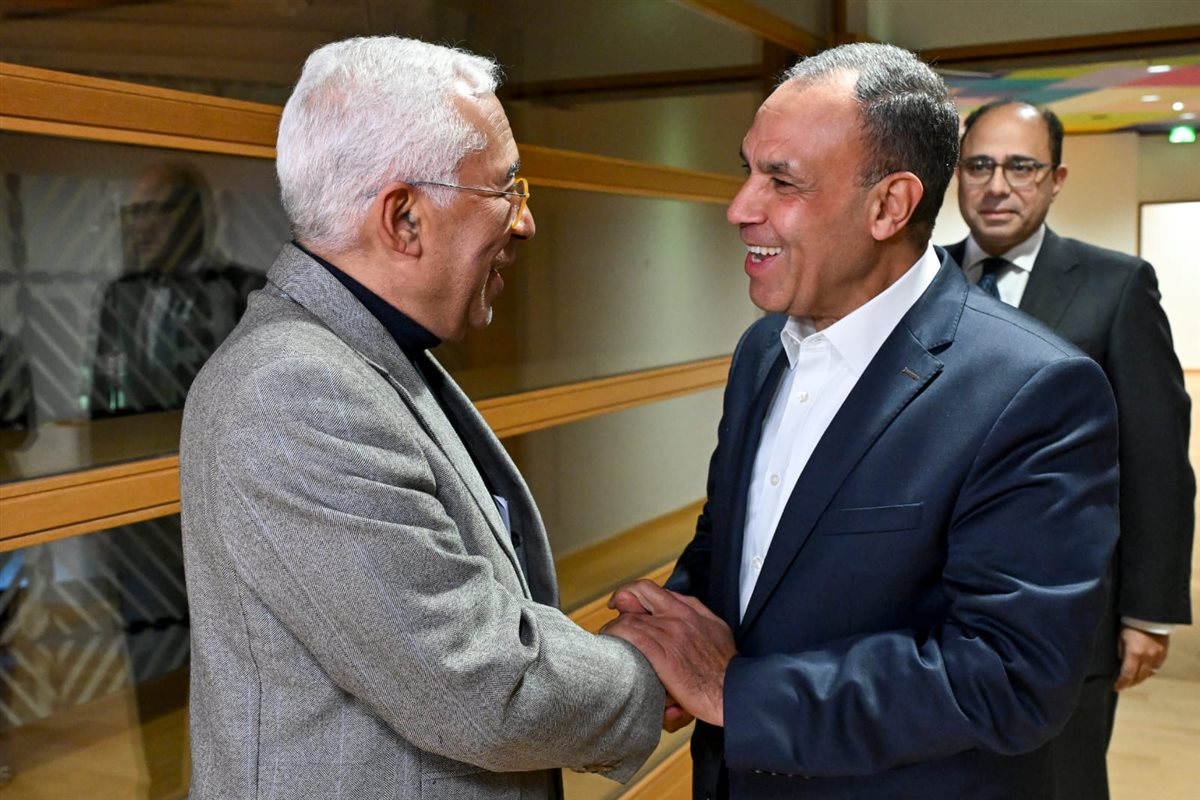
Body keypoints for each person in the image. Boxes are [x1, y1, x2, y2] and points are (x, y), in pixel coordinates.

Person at [602, 43, 1120, 799]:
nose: (740, 208)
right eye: (748, 170)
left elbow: (1009, 677)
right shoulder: (762, 352)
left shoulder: (1034, 389)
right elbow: (741, 546)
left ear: (889, 205)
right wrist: (662, 631)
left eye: (781, 181)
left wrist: (735, 693)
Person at [179, 36, 663, 799]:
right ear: (404, 218)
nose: (525, 222)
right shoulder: (295, 389)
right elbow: (480, 688)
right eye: (505, 189)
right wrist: (650, 673)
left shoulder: (359, 355)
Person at [945, 99, 1195, 800]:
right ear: (957, 175)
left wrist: (1147, 611)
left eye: (1021, 167)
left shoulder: (1116, 285)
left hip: (1066, 614)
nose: (997, 186)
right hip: (932, 613)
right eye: (979, 165)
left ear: (1055, 179)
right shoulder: (921, 281)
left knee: (1063, 783)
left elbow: (1155, 460)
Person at [91, 161, 263, 417]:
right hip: (138, 439)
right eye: (136, 212)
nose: (144, 226)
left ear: (194, 217)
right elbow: (102, 391)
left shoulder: (247, 291)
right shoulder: (120, 294)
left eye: (159, 211)